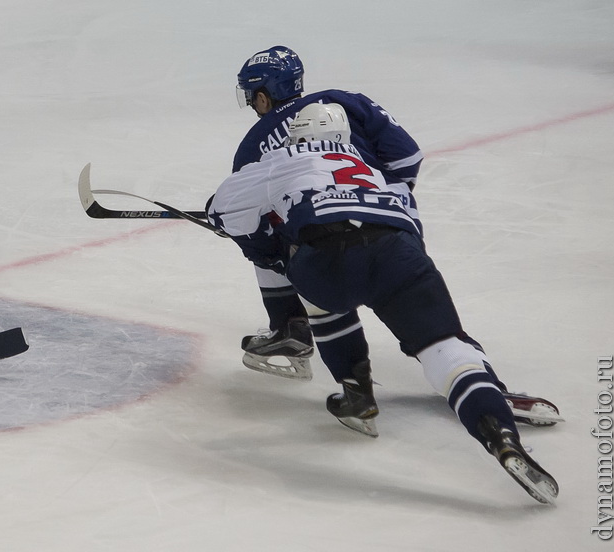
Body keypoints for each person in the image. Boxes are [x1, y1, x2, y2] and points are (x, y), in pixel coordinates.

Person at [207, 103, 559, 504]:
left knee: (316, 284)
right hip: (400, 256)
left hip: (326, 261)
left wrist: (270, 243)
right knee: (446, 349)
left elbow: (222, 209)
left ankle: (355, 390)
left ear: (297, 137)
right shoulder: (376, 172)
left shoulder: (285, 157)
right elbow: (410, 230)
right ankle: (501, 436)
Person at [228, 47, 560, 430]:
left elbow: (259, 223)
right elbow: (406, 159)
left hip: (324, 258)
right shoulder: (344, 102)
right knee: (427, 318)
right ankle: (480, 382)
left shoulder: (252, 147)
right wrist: (373, 198)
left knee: (292, 251)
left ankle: (293, 330)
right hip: (393, 225)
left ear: (263, 96)